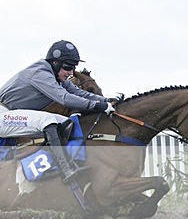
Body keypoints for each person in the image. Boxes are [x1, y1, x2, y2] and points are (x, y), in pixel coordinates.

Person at [0, 40, 115, 182]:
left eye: (73, 67)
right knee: (47, 120)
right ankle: (66, 170)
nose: (71, 72)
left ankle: (56, 167)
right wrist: (97, 106)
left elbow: (79, 93)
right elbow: (65, 98)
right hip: (3, 114)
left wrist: (107, 101)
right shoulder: (40, 73)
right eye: (68, 67)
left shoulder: (55, 75)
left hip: (12, 115)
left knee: (66, 122)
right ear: (55, 63)